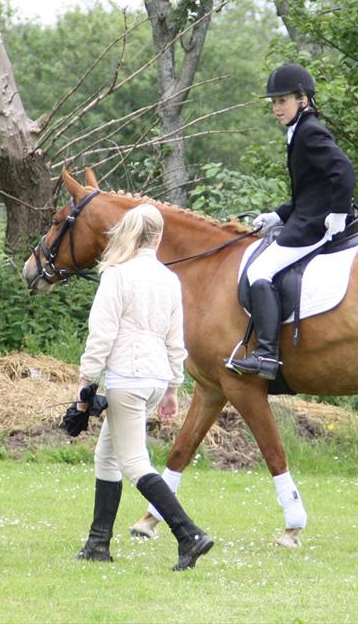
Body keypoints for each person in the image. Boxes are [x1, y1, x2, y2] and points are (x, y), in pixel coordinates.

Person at [73, 203, 215, 571]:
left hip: (127, 378)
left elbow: (102, 334)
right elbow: (174, 337)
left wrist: (86, 379)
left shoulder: (118, 275)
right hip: (153, 378)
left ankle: (189, 534)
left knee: (134, 463)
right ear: (158, 236)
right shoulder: (169, 278)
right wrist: (172, 386)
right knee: (106, 456)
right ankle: (97, 544)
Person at [226, 63, 356, 380]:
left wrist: (337, 214)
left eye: (282, 101)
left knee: (259, 271)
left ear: (303, 99)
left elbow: (344, 171)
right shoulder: (298, 130)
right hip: (304, 216)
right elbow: (309, 190)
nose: (276, 108)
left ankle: (267, 354)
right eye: (274, 102)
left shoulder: (309, 131)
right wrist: (278, 215)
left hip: (314, 226)